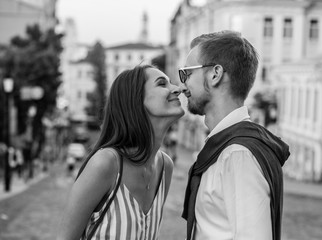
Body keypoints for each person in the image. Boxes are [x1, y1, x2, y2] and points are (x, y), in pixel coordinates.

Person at [179, 30, 290, 240]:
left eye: (187, 73)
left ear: (215, 74)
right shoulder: (230, 145)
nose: (182, 83)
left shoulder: (238, 155)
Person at [57, 64, 185, 240]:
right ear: (136, 100)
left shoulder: (165, 167)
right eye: (162, 84)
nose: (178, 89)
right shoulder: (106, 163)